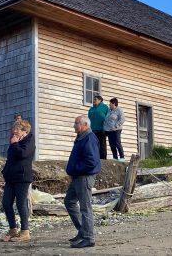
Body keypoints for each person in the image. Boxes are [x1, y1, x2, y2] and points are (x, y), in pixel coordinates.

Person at [64, 115, 101, 248]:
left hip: (84, 177)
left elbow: (91, 161)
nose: (74, 126)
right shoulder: (81, 137)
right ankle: (83, 230)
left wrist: (75, 169)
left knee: (86, 207)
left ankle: (89, 238)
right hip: (78, 177)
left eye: (76, 123)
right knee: (69, 201)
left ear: (84, 124)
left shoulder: (89, 138)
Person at [1, 120, 35, 242]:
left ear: (24, 131)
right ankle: (13, 229)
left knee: (21, 203)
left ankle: (25, 231)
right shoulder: (14, 141)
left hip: (22, 177)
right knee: (6, 202)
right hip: (11, 177)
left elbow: (23, 154)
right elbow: (11, 158)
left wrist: (15, 144)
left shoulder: (29, 140)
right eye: (13, 128)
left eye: (17, 129)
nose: (14, 131)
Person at [103, 97, 126, 162]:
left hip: (116, 130)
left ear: (114, 104)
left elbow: (122, 119)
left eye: (110, 104)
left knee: (117, 143)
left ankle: (122, 157)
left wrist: (116, 126)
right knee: (111, 144)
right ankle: (115, 157)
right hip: (109, 130)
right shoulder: (109, 111)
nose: (109, 105)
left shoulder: (119, 110)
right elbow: (106, 120)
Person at [88, 95, 109, 160]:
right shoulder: (91, 108)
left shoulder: (105, 107)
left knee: (102, 144)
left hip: (102, 129)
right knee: (94, 144)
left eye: (95, 99)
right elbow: (88, 118)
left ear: (100, 100)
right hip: (93, 129)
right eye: (93, 99)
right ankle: (95, 157)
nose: (94, 101)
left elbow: (108, 118)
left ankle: (103, 158)